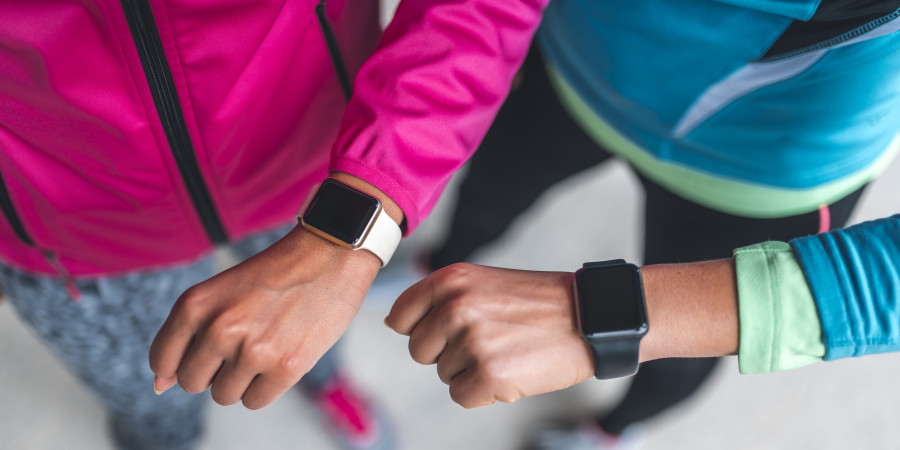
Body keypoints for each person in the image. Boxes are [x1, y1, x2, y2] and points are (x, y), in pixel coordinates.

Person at [0, 0, 544, 448]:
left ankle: (325, 381)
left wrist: (363, 206)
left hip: (311, 157)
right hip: (63, 218)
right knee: (151, 395)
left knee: (309, 324)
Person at [400, 0, 900, 448]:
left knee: (677, 357)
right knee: (487, 192)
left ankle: (611, 430)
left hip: (774, 168)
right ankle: (433, 262)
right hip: (578, 63)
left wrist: (607, 316)